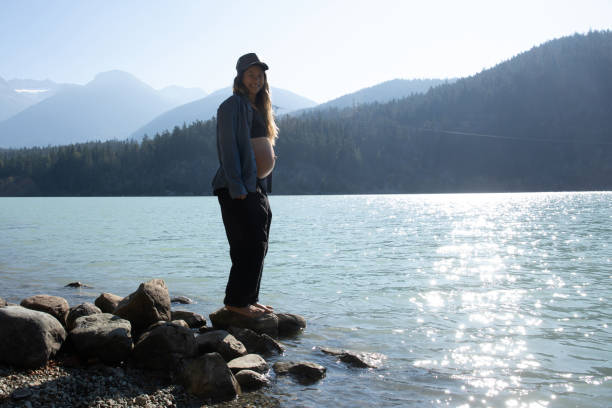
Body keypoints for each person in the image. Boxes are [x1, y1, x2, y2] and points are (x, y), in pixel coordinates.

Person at [211, 53, 278, 318]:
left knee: (260, 242)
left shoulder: (258, 107)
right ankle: (236, 302)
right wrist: (237, 186)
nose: (257, 79)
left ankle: (250, 297)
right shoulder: (231, 106)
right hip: (235, 187)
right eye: (251, 75)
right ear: (240, 77)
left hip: (255, 185)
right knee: (245, 244)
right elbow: (227, 147)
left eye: (260, 75)